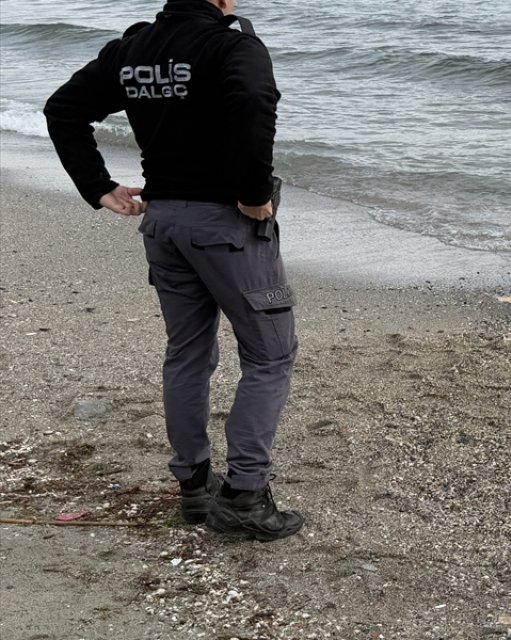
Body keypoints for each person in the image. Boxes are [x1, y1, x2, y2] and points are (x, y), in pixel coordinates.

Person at [44, 0, 304, 541]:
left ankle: (193, 487)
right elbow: (256, 102)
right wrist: (255, 194)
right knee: (271, 354)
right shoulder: (232, 45)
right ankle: (245, 496)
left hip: (163, 224)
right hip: (226, 226)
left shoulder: (135, 49)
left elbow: (64, 108)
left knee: (188, 351)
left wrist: (98, 185)